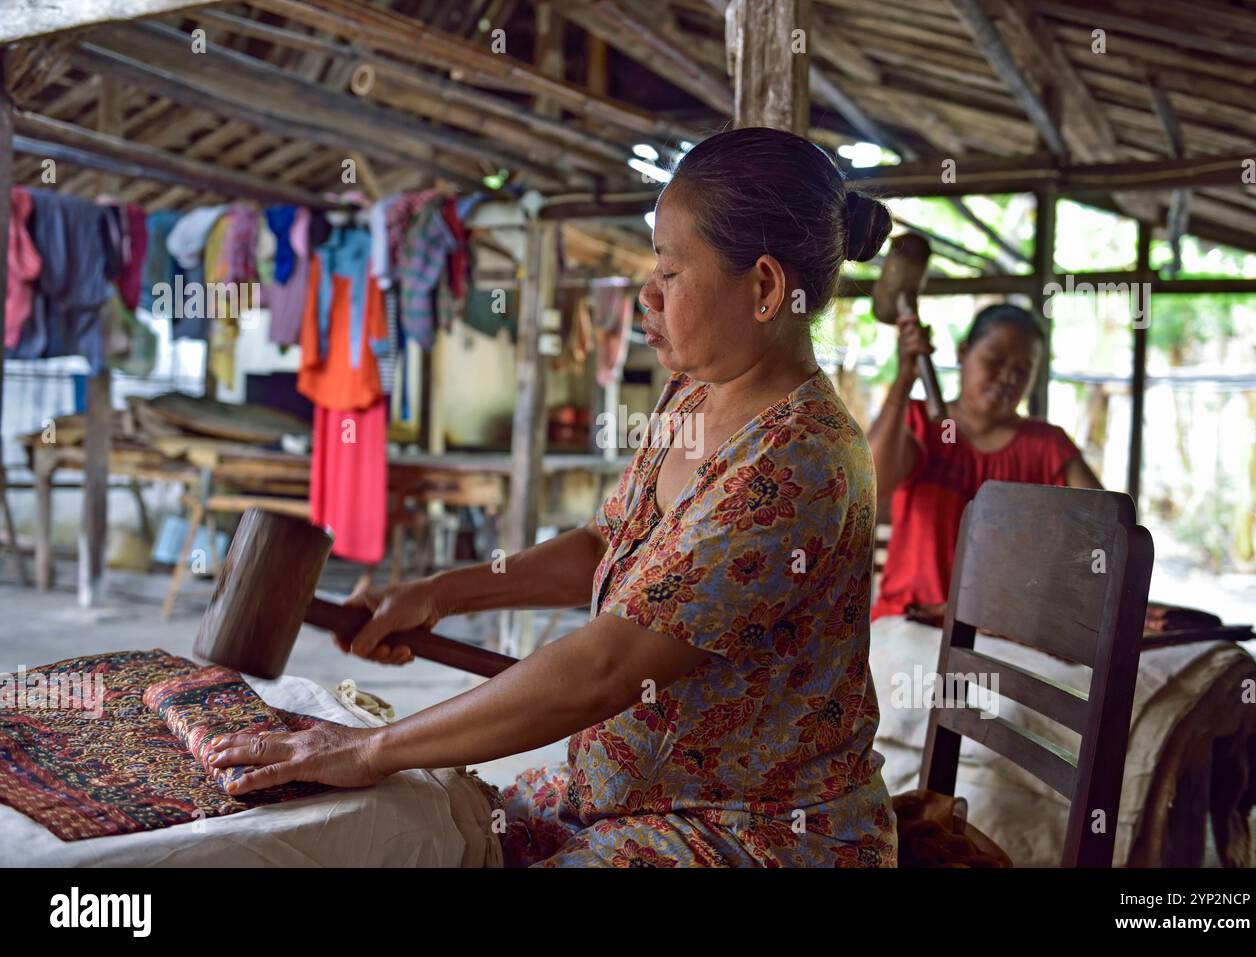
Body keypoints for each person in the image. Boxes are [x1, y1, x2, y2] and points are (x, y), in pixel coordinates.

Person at [210, 127, 899, 867]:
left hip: (747, 828)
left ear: (764, 287)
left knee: (392, 798)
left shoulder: (798, 459)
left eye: (669, 271)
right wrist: (442, 593)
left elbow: (604, 667)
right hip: (622, 794)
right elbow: (606, 545)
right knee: (392, 827)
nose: (647, 292)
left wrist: (374, 747)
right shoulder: (695, 394)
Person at [868, 303, 1102, 623]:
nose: (1007, 377)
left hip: (1002, 633)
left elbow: (1106, 529)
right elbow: (871, 482)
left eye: (1022, 370)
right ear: (963, 352)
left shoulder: (1047, 446)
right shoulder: (920, 422)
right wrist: (903, 380)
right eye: (995, 360)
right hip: (910, 621)